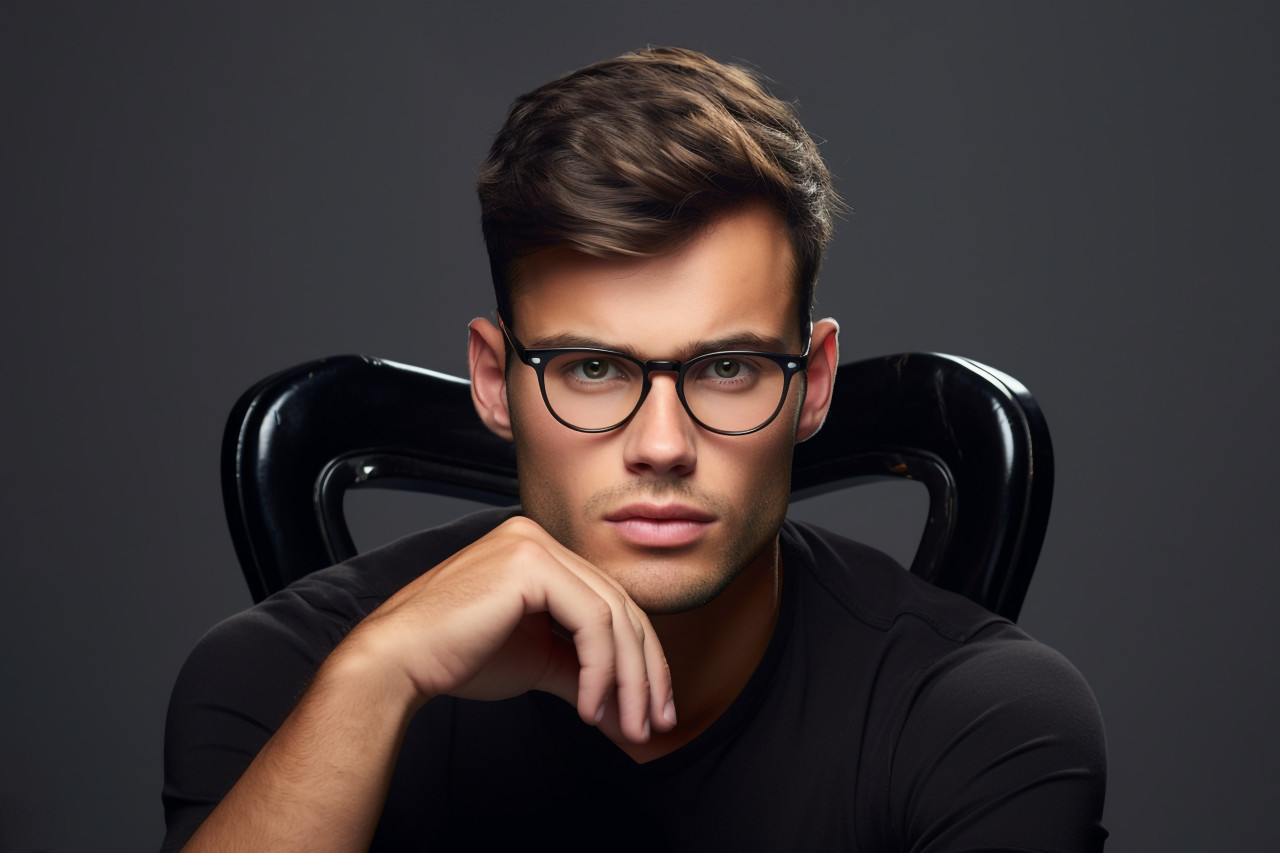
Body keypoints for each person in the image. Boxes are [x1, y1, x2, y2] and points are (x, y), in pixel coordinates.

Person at [162, 47, 1107, 851]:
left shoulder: (982, 718)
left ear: (812, 382)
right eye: (591, 369)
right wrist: (375, 681)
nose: (663, 445)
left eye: (729, 367)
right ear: (496, 381)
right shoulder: (286, 678)